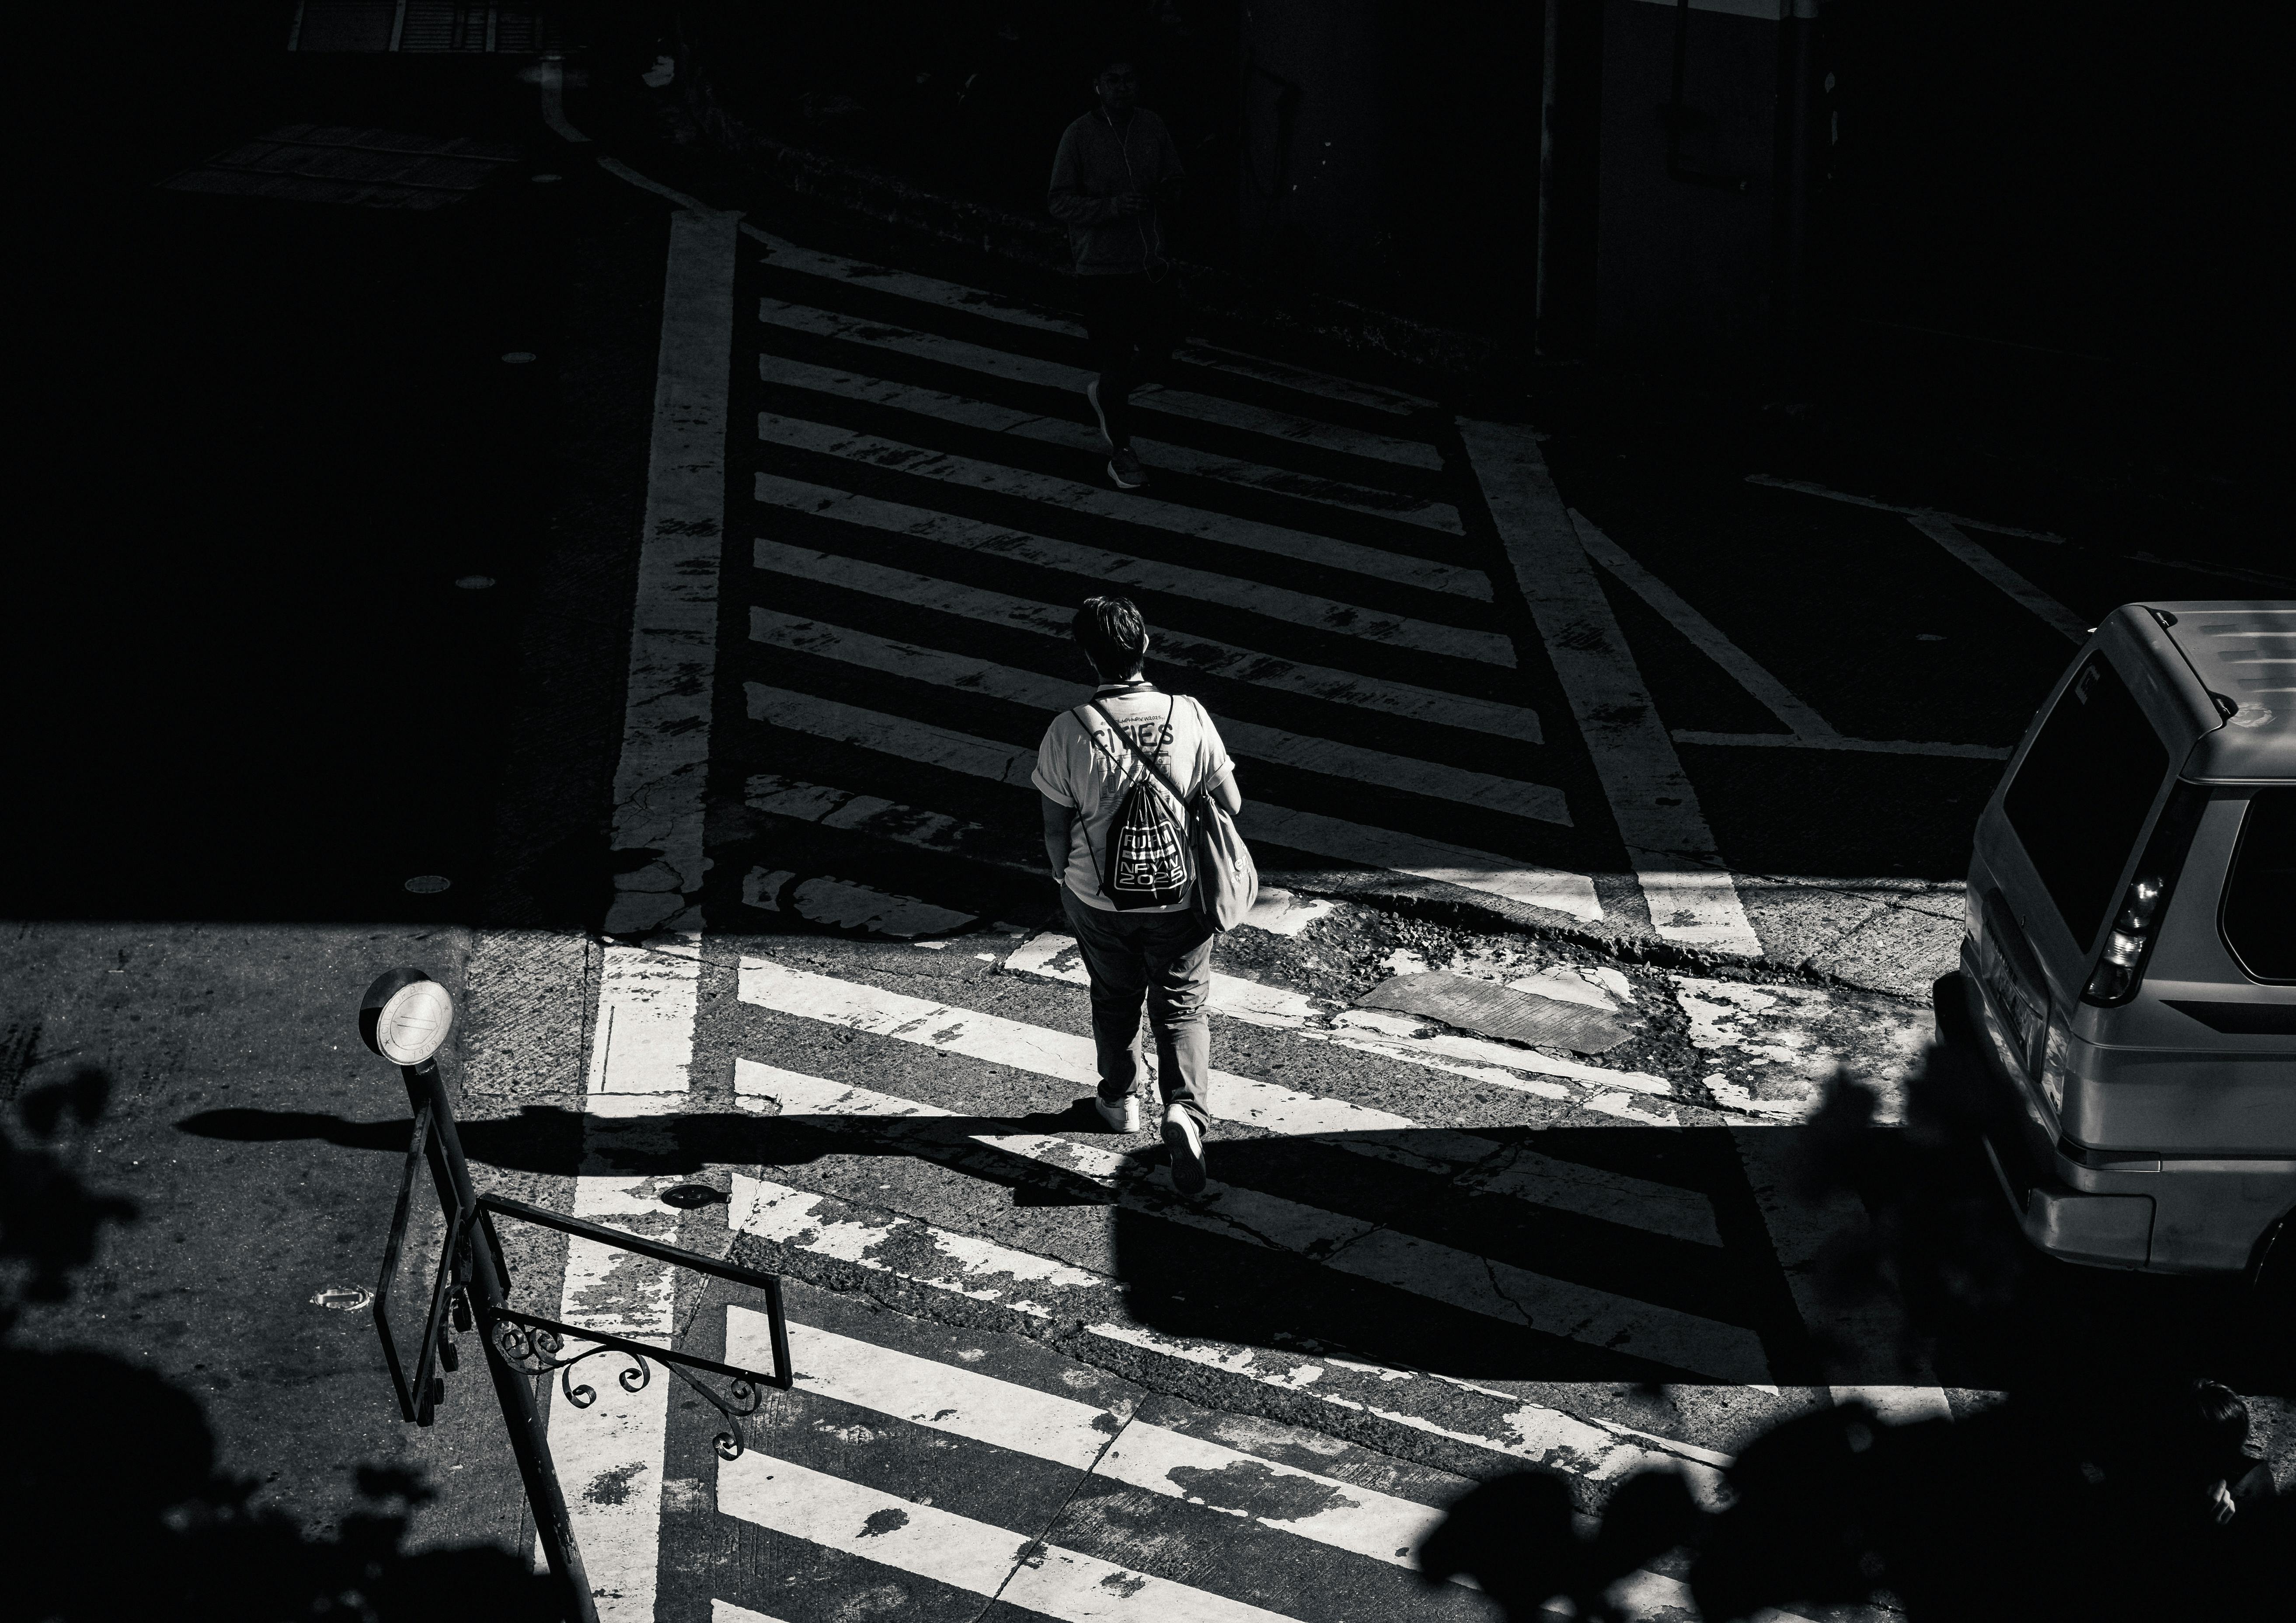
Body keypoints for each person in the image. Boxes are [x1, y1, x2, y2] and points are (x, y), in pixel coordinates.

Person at [1032, 596, 1241, 1193]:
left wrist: (1062, 879)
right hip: (1180, 897)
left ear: (1086, 656)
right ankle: (1184, 1110)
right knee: (1180, 1004)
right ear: (1145, 645)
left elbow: (1054, 826)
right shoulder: (1190, 714)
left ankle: (1119, 1101)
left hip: (1097, 898)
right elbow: (1230, 804)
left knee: (1115, 996)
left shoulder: (1067, 730)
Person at [1047, 56, 1185, 493]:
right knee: (1116, 356)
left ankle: (1108, 393)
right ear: (1097, 85)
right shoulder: (1079, 135)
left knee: (1162, 352)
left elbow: (1176, 176)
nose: (1123, 88)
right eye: (1113, 80)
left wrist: (1167, 191)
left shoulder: (1152, 126)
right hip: (1101, 270)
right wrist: (1109, 209)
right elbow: (1059, 202)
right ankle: (1122, 451)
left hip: (1149, 264)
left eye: (1130, 80)